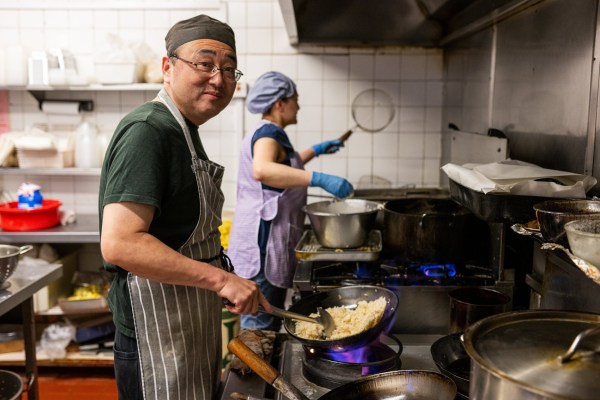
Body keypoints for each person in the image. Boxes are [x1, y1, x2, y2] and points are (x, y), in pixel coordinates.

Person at [98, 14, 270, 400]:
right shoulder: (148, 130)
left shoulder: (183, 131)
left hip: (185, 320)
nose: (219, 78)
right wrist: (222, 280)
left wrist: (230, 277)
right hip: (155, 334)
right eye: (204, 63)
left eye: (228, 68)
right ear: (167, 67)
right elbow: (121, 243)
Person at [227, 71, 354, 332]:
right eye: (295, 99)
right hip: (263, 245)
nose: (299, 105)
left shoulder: (269, 132)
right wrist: (317, 178)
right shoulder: (268, 133)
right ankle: (254, 370)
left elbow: (282, 165)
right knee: (259, 324)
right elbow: (263, 169)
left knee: (266, 317)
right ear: (279, 104)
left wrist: (315, 151)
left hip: (266, 238)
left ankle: (262, 367)